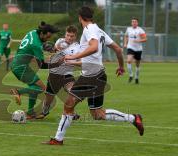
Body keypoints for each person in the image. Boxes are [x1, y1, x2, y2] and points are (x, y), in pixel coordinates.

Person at [44, 6, 144, 145]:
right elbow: (118, 49)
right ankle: (134, 118)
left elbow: (94, 47)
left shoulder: (89, 29)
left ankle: (58, 139)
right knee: (98, 114)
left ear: (80, 17)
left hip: (91, 75)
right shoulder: (99, 30)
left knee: (68, 104)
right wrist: (121, 66)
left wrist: (75, 55)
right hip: (98, 74)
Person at [10, 22, 61, 119]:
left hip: (19, 65)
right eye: (47, 37)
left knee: (34, 87)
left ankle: (30, 113)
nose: (48, 39)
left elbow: (40, 43)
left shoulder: (33, 32)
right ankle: (19, 92)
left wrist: (47, 47)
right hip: (21, 68)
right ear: (42, 33)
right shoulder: (36, 45)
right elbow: (41, 65)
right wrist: (56, 64)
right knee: (41, 88)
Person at [36, 25, 81, 120]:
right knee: (48, 100)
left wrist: (71, 61)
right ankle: (44, 112)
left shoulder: (78, 47)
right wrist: (52, 50)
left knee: (73, 92)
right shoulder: (60, 41)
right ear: (65, 34)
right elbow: (54, 53)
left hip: (67, 75)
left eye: (71, 36)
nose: (69, 38)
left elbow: (81, 63)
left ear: (75, 36)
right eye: (68, 35)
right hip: (54, 75)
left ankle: (70, 112)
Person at [124, 17, 147, 84]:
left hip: (138, 49)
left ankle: (136, 77)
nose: (134, 23)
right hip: (130, 47)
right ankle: (131, 75)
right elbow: (126, 36)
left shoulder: (140, 30)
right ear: (131, 23)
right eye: (132, 21)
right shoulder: (128, 29)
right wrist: (125, 43)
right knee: (128, 61)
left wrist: (138, 40)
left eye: (135, 22)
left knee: (137, 64)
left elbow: (145, 39)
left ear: (137, 23)